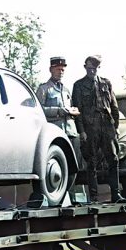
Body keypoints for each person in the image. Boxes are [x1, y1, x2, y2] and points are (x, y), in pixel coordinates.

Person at [72, 55, 126, 204]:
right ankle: (94, 197)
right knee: (92, 161)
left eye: (94, 68)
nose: (92, 71)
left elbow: (114, 106)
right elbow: (77, 110)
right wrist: (81, 131)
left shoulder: (106, 83)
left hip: (106, 125)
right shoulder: (79, 85)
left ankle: (116, 194)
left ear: (98, 68)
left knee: (113, 159)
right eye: (89, 68)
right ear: (85, 67)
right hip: (90, 127)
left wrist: (115, 127)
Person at [36, 56, 83, 203]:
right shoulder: (44, 89)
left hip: (71, 131)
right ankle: (57, 197)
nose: (61, 71)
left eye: (63, 69)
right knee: (57, 167)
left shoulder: (67, 89)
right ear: (51, 70)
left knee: (74, 167)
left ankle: (72, 197)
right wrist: (61, 110)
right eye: (58, 69)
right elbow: (39, 110)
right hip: (55, 133)